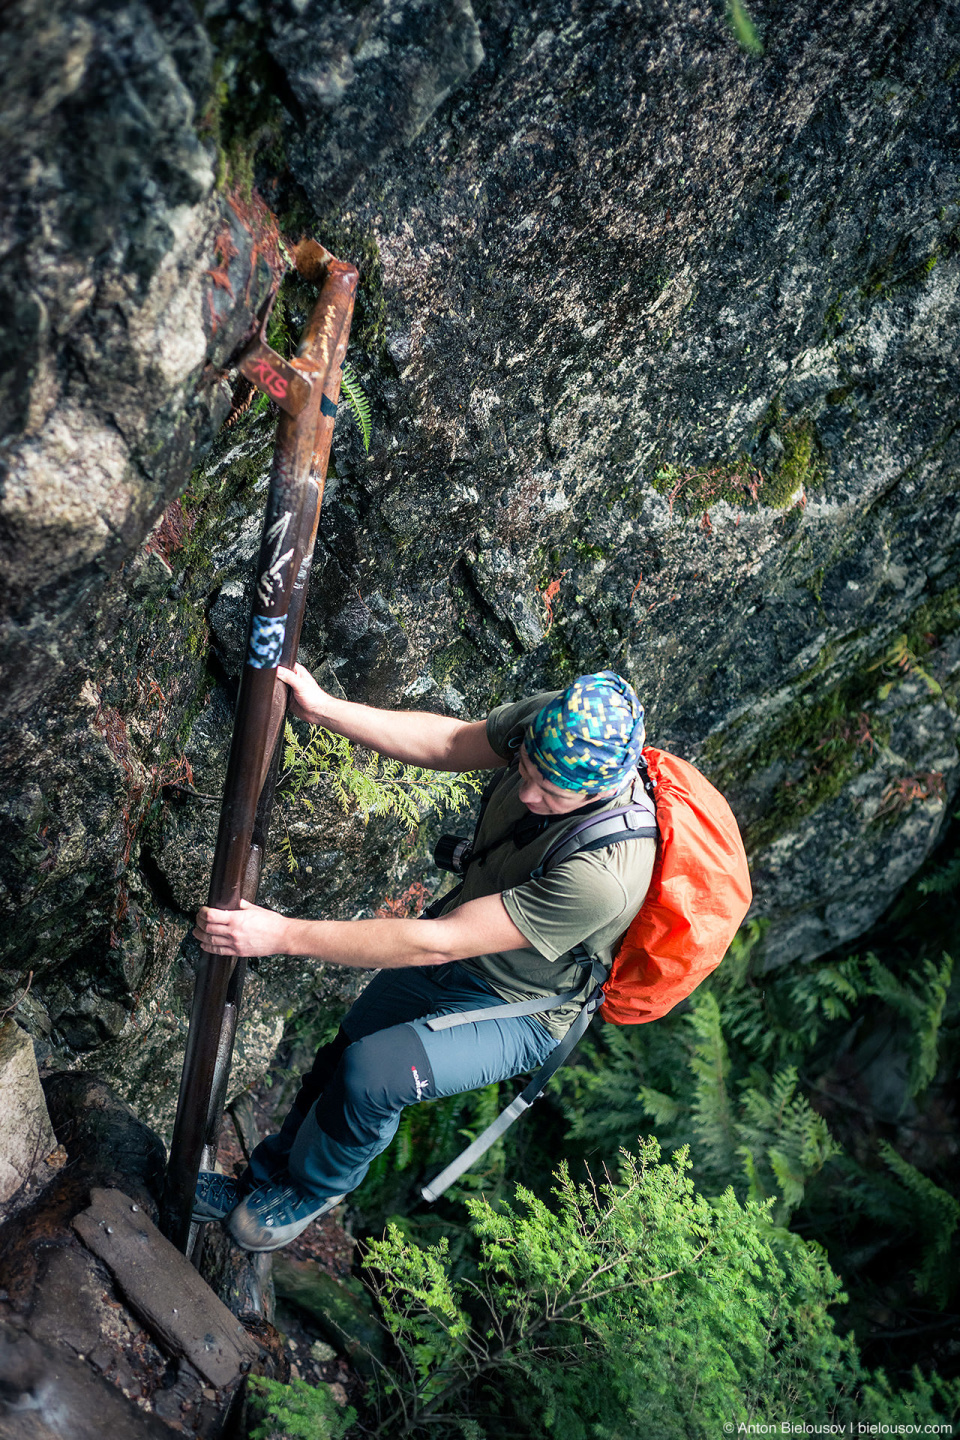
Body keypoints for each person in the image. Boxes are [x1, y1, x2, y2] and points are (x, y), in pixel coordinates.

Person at [192, 665, 655, 1251]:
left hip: (519, 1006)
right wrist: (324, 708)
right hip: (463, 946)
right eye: (527, 771)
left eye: (552, 793)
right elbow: (451, 742)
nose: (529, 794)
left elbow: (441, 940)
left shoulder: (604, 877)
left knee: (373, 1075)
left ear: (598, 791)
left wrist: (279, 934)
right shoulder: (552, 723)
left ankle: (315, 1188)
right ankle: (260, 1180)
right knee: (342, 1056)